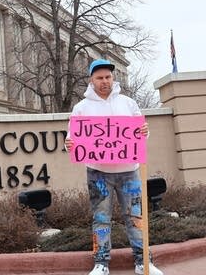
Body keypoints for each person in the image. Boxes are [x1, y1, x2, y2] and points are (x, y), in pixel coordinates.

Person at [64, 59, 163, 275]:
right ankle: (101, 263)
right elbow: (72, 137)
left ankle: (143, 261)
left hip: (129, 172)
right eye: (99, 78)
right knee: (101, 218)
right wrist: (69, 143)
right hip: (98, 173)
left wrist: (145, 132)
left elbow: (141, 134)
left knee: (135, 217)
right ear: (91, 79)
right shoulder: (81, 108)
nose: (104, 81)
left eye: (108, 77)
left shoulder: (129, 103)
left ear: (113, 78)